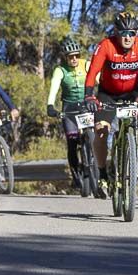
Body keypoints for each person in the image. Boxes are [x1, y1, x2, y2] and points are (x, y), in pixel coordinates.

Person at [84, 12, 138, 196]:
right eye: (123, 33)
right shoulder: (106, 45)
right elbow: (92, 72)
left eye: (132, 33)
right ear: (116, 32)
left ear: (136, 33)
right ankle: (103, 172)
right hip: (108, 94)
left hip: (132, 90)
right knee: (101, 130)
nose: (128, 37)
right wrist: (89, 95)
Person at [46, 37, 90, 191]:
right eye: (71, 56)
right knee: (72, 141)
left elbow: (99, 79)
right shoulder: (60, 70)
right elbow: (54, 88)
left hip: (86, 105)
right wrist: (50, 105)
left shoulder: (86, 65)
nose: (74, 59)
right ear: (65, 57)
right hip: (69, 108)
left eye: (76, 55)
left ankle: (95, 166)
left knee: (94, 135)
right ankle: (76, 173)